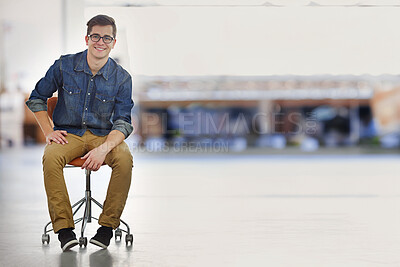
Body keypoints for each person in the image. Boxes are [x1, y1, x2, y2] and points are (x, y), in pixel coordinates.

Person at [26, 14, 134, 251]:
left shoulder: (122, 78)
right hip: (69, 134)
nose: (100, 42)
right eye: (96, 36)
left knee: (125, 158)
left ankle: (106, 227)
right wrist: (48, 131)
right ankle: (65, 229)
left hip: (105, 137)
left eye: (107, 38)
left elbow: (124, 123)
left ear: (113, 42)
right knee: (51, 156)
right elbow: (36, 98)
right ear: (87, 38)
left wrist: (103, 149)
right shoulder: (64, 65)